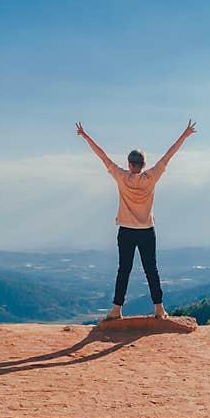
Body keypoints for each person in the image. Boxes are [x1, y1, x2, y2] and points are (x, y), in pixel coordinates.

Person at [76, 119, 197, 320]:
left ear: (129, 164)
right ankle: (159, 308)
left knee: (124, 269)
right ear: (144, 165)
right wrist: (184, 135)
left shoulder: (121, 176)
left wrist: (86, 136)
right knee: (151, 269)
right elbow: (169, 155)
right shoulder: (152, 177)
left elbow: (102, 156)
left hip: (126, 230)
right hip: (147, 230)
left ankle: (116, 309)